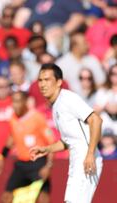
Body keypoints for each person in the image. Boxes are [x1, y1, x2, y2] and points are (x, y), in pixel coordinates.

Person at [30, 63, 103, 203]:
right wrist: (46, 149)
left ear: (59, 82)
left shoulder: (68, 98)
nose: (42, 84)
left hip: (87, 161)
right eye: (40, 80)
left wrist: (90, 154)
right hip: (76, 162)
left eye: (47, 80)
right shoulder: (56, 106)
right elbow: (67, 141)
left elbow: (96, 120)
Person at [0, 91, 54, 203]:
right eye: (13, 102)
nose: (15, 105)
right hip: (22, 163)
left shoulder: (37, 118)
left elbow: (51, 143)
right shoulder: (13, 119)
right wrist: (1, 158)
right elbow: (11, 139)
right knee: (6, 196)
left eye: (18, 101)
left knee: (43, 197)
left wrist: (48, 166)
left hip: (38, 162)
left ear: (25, 102)